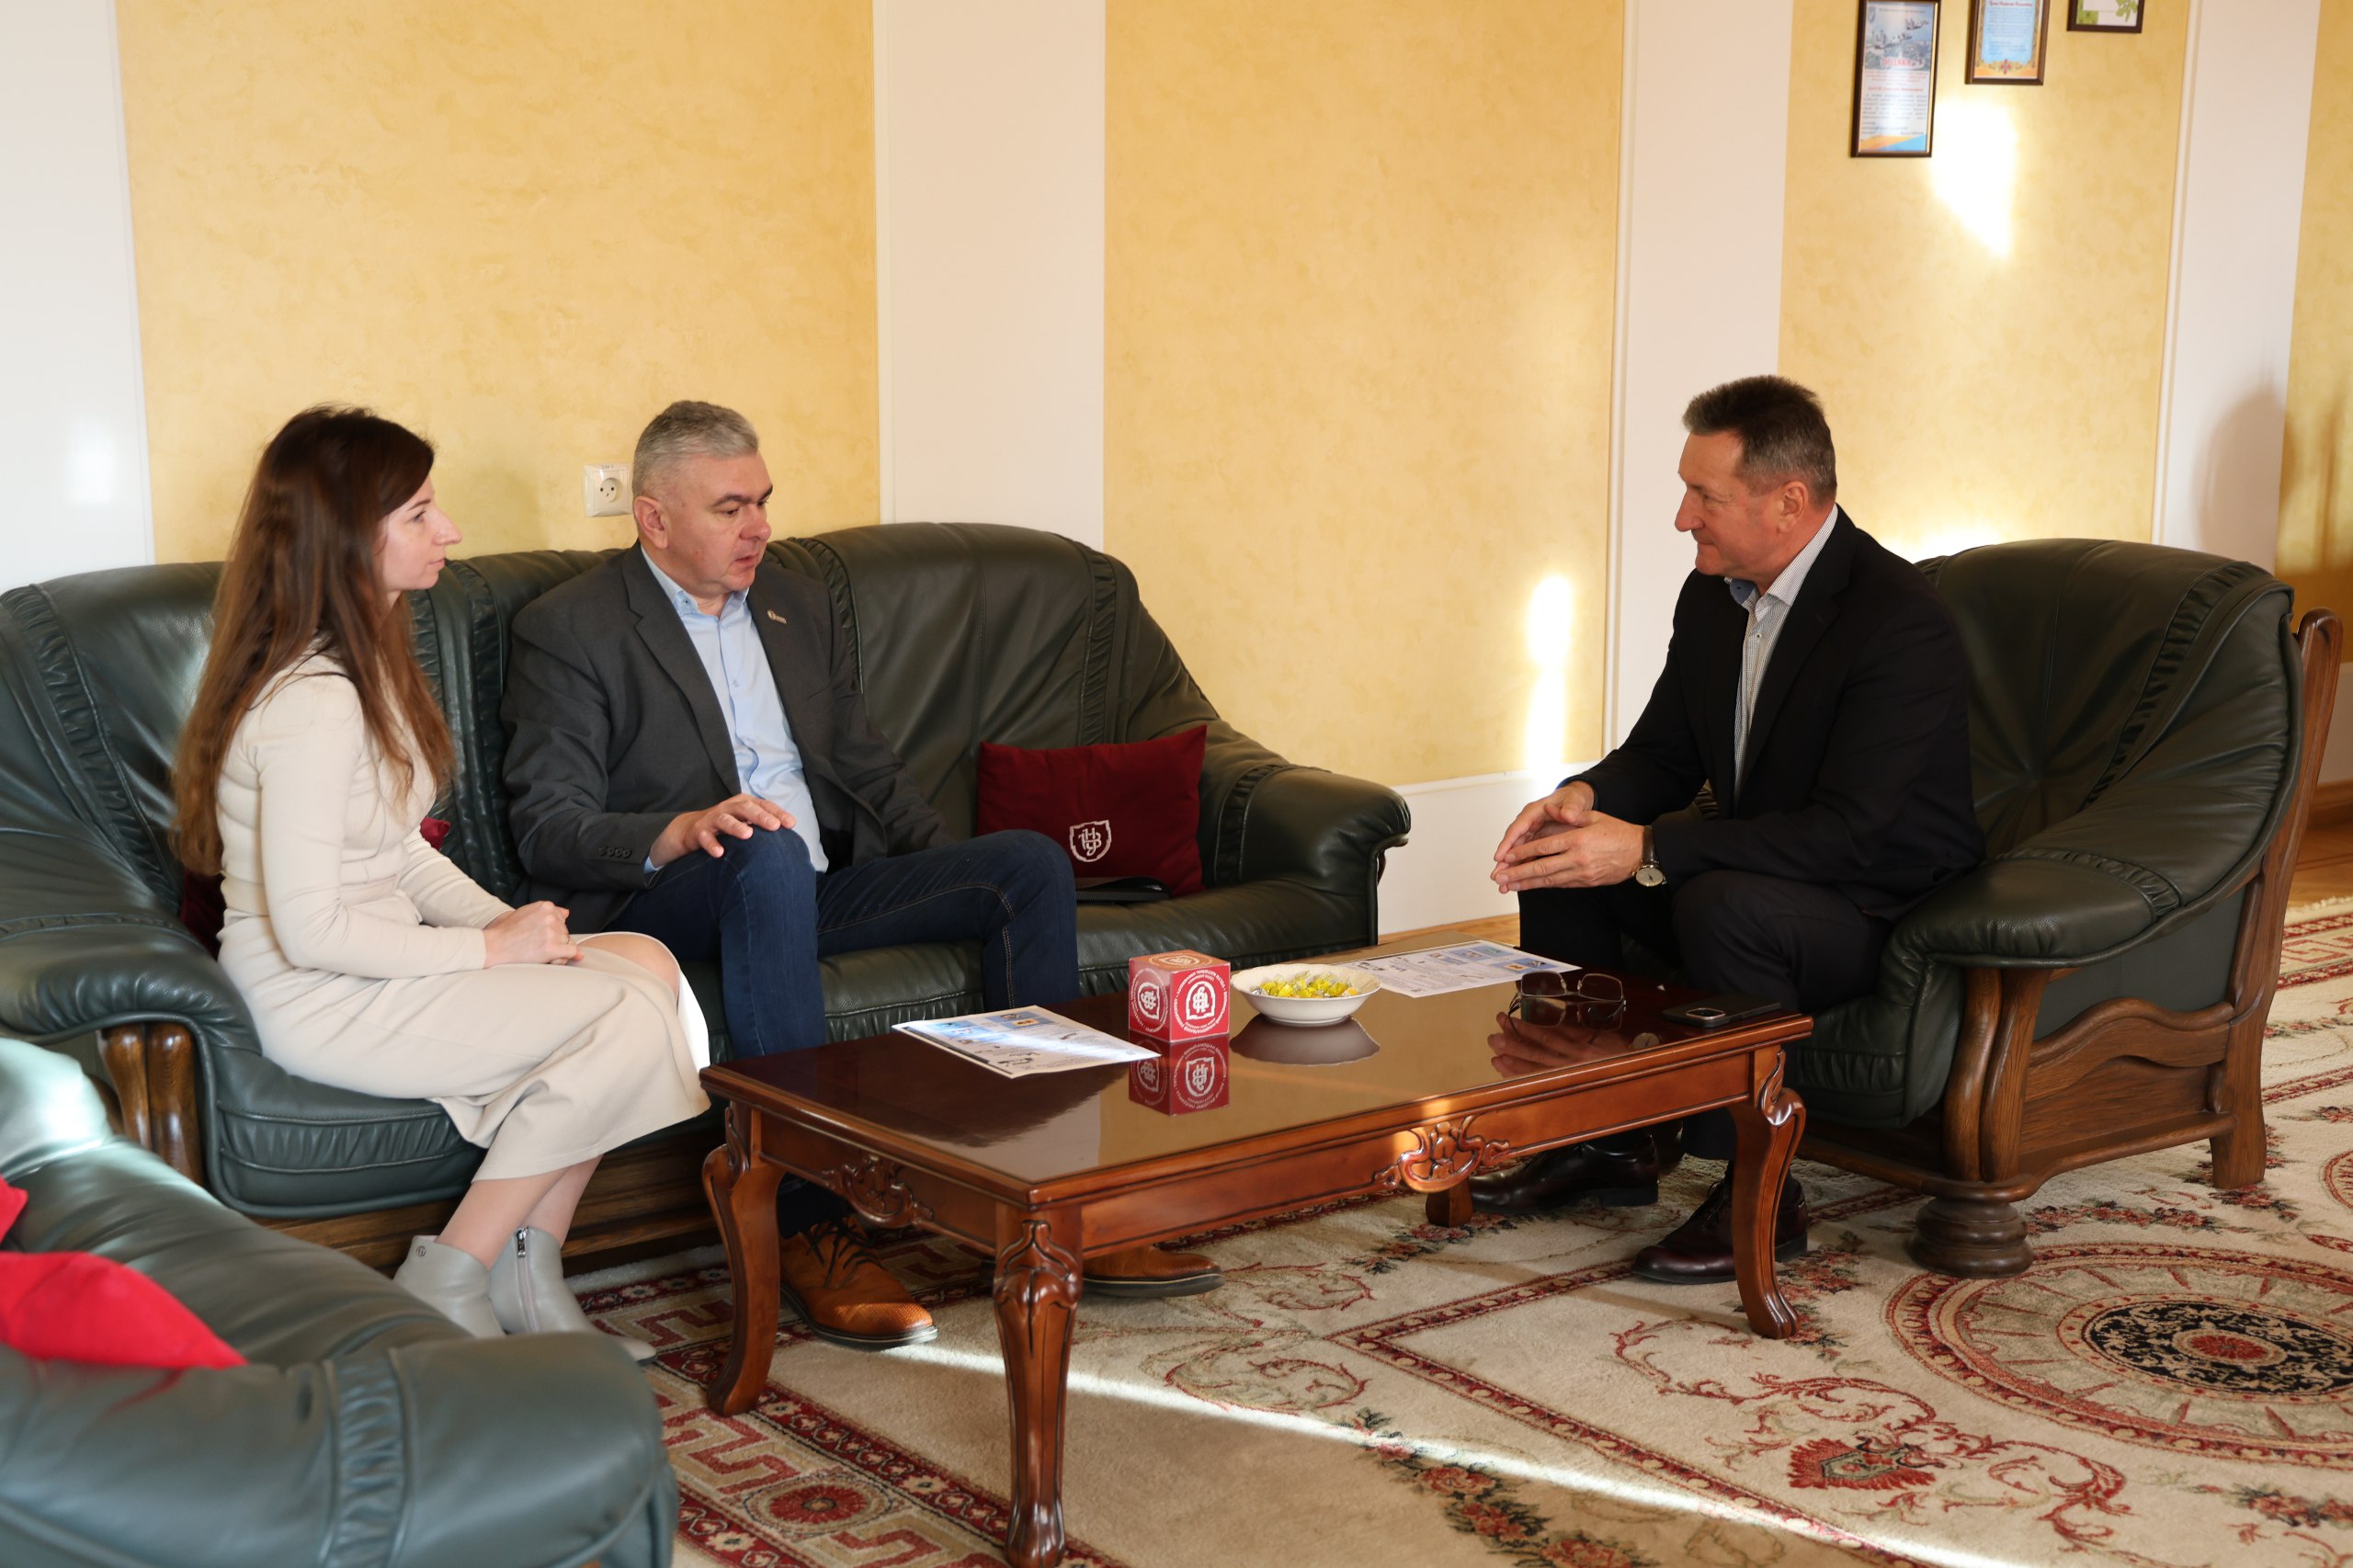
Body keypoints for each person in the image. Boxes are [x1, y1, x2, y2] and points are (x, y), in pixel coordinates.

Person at [501, 400, 1221, 1346]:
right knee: (763, 849)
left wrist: (942, 870)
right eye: (729, 508)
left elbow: (869, 766)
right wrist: (678, 829)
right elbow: (548, 827)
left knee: (1025, 864)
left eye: (763, 501)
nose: (759, 527)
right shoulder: (572, 626)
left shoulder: (795, 605)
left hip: (808, 886)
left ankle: (1046, 1201)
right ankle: (809, 1227)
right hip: (677, 896)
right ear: (654, 518)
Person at [176, 406, 710, 1357]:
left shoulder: (366, 668)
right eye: (420, 513)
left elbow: (401, 852)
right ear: (348, 535)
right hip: (315, 992)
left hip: (380, 964)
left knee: (648, 968)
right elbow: (310, 930)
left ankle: (527, 1272)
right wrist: (491, 951)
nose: (450, 531)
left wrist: (523, 927)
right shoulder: (310, 705)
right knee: (621, 1017)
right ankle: (451, 1272)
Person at [1474, 375, 1983, 1282]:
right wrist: (1582, 798)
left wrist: (1647, 847)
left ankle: (1763, 1190)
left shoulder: (1900, 623)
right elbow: (1664, 753)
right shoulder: (1714, 594)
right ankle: (1602, 1140)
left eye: (1703, 496)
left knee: (1718, 904)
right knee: (1563, 863)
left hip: (1879, 908)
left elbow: (1849, 834)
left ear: (1788, 501)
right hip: (1756, 873)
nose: (1682, 518)